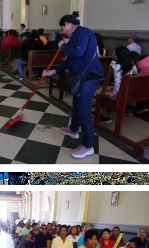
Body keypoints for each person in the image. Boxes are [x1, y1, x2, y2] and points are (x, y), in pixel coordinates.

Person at [42, 14, 105, 159]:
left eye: (63, 27)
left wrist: (63, 45)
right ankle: (74, 130)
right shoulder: (75, 37)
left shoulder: (82, 32)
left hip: (89, 77)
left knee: (83, 110)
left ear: (68, 24)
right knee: (77, 104)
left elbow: (77, 52)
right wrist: (54, 70)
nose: (64, 31)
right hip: (81, 77)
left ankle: (88, 145)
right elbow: (70, 59)